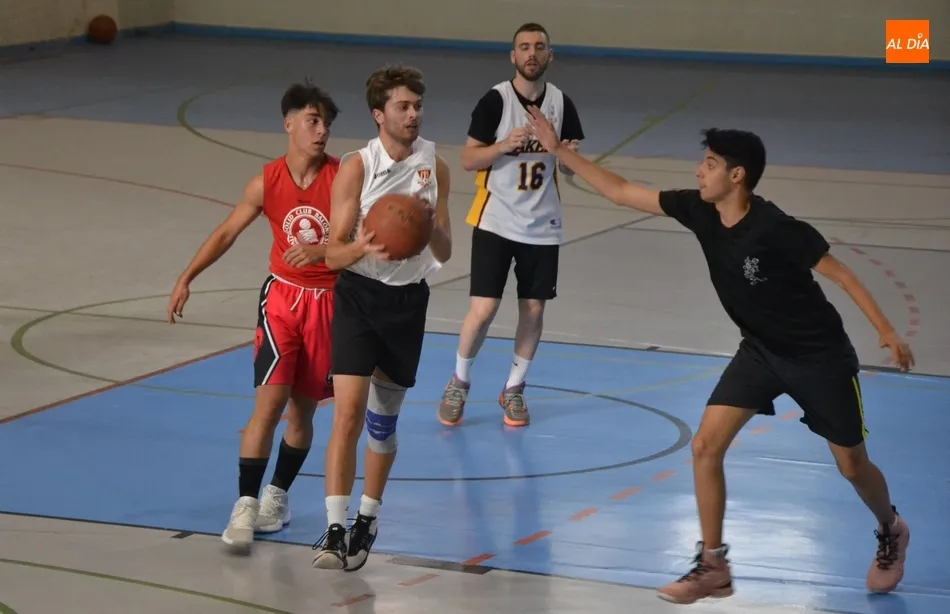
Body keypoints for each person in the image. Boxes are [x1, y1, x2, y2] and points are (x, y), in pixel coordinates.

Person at [525, 107, 914, 604]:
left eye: (709, 164)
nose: (698, 172)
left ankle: (890, 527)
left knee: (853, 466)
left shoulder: (776, 227)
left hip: (819, 359)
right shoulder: (700, 210)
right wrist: (559, 151)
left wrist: (886, 331)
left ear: (737, 175)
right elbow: (621, 191)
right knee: (705, 446)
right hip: (760, 352)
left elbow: (842, 274)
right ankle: (713, 565)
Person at [167, 81, 341, 552]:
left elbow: (362, 239)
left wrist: (327, 251)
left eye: (326, 123)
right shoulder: (266, 181)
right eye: (313, 121)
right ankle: (244, 504)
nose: (321, 131)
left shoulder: (344, 178)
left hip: (330, 303)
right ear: (289, 124)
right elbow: (227, 232)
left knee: (303, 410)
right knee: (269, 403)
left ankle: (276, 497)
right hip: (282, 300)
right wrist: (187, 276)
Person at [311, 64, 453, 572]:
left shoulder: (435, 166)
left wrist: (428, 227)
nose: (413, 115)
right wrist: (363, 246)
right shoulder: (357, 166)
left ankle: (367, 519)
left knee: (382, 425)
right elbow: (332, 254)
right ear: (379, 114)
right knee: (346, 414)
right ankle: (333, 528)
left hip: (407, 302)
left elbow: (446, 251)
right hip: (358, 296)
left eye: (418, 106)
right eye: (403, 106)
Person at [436, 22, 585, 429]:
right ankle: (459, 381)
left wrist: (565, 154)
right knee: (483, 309)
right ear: (513, 56)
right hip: (496, 220)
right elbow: (468, 159)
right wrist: (503, 146)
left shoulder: (561, 104)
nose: (532, 53)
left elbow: (570, 170)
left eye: (539, 47)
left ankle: (515, 388)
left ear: (550, 55)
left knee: (533, 309)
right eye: (524, 47)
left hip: (543, 224)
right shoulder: (495, 101)